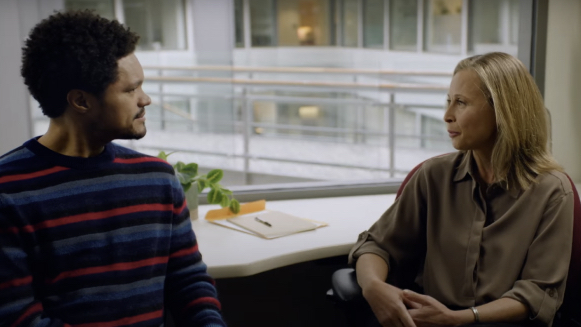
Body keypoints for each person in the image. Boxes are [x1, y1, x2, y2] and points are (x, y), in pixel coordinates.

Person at [0, 10, 226, 326]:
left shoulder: (157, 179)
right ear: (80, 100)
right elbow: (17, 318)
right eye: (130, 89)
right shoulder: (8, 191)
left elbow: (187, 281)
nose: (145, 99)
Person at [348, 52, 574, 327]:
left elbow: (537, 293)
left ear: (503, 111)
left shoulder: (553, 191)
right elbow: (377, 245)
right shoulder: (432, 176)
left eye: (461, 103)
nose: (447, 115)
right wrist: (372, 286)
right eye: (448, 101)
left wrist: (459, 319)